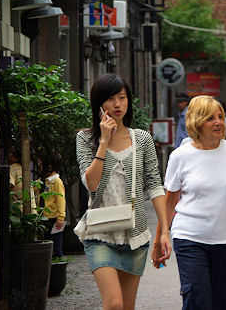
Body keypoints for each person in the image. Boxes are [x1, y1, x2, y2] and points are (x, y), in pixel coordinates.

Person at [151, 95, 226, 310]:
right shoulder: (180, 156)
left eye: (220, 116)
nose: (219, 122)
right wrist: (159, 239)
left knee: (223, 303)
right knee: (197, 300)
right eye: (211, 118)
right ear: (197, 122)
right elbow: (170, 202)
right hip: (189, 237)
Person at [75, 74, 172, 310]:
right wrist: (104, 142)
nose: (118, 104)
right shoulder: (85, 138)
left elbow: (155, 185)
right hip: (100, 234)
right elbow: (91, 184)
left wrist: (164, 231)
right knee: (114, 304)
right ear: (98, 103)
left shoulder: (142, 139)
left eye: (122, 97)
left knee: (126, 307)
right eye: (110, 99)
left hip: (135, 235)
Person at [41, 163, 66, 258]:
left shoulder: (57, 182)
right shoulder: (44, 181)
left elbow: (60, 200)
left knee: (56, 243)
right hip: (44, 216)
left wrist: (61, 217)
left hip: (54, 217)